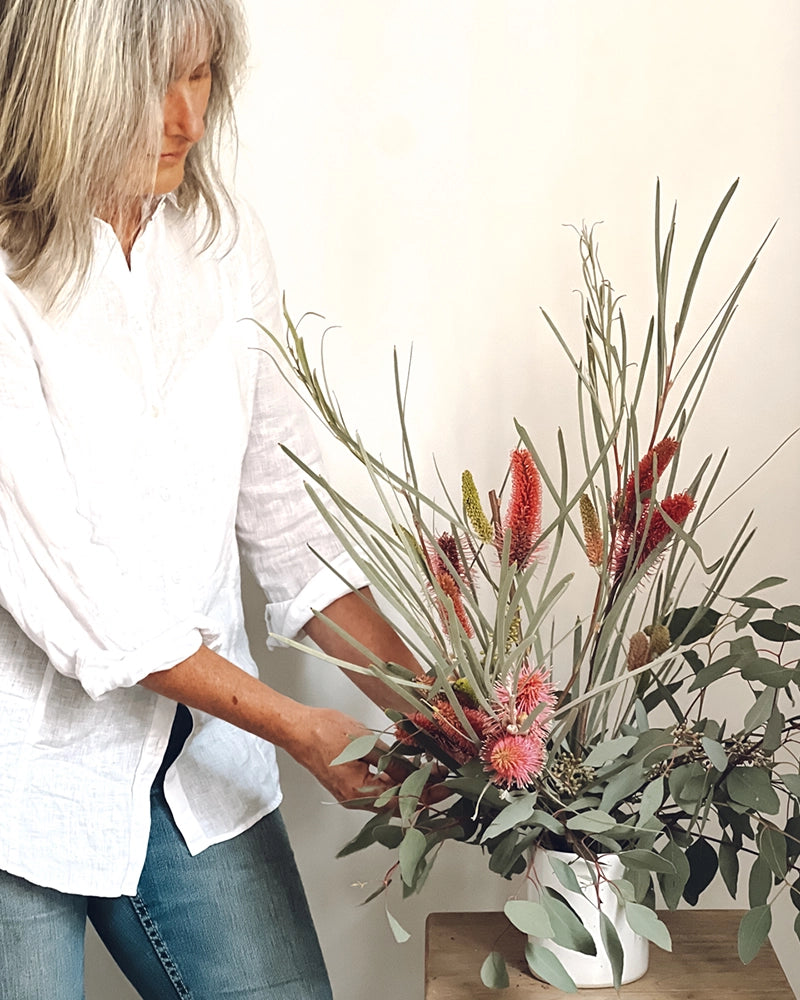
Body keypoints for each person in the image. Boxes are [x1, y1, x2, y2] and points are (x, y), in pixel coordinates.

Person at [0, 1, 418, 997]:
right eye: (152, 86)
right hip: (20, 780)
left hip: (189, 764)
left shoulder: (223, 252)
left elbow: (292, 528)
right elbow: (75, 596)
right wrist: (300, 727)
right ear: (67, 92)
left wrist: (449, 717)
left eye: (199, 78)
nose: (186, 118)